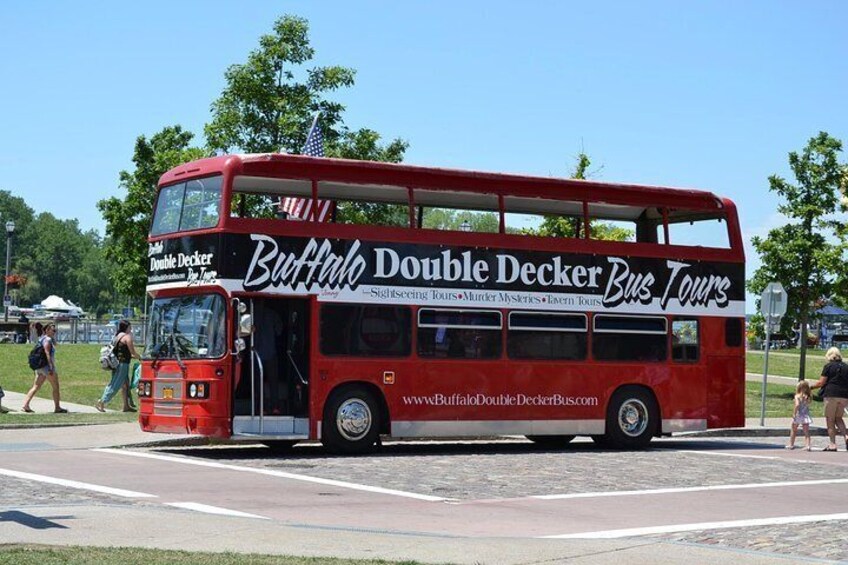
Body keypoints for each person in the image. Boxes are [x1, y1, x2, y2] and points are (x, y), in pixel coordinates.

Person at [21, 322, 67, 413]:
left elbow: (55, 345)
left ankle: (25, 405)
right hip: (47, 367)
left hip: (40, 367)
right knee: (56, 387)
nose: (54, 332)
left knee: (36, 386)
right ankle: (57, 408)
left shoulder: (42, 338)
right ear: (47, 330)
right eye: (53, 330)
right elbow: (47, 353)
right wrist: (51, 367)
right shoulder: (48, 340)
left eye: (55, 330)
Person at [95, 320, 141, 412]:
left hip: (116, 363)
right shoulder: (127, 337)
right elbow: (132, 352)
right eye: (130, 327)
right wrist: (140, 357)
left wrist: (132, 356)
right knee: (115, 384)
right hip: (123, 365)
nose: (131, 329)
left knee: (125, 386)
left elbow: (123, 351)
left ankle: (126, 406)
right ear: (126, 328)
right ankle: (102, 401)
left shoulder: (117, 336)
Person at [811, 346, 848, 452]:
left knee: (830, 419)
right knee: (839, 418)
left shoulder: (828, 366)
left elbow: (821, 382)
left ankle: (832, 444)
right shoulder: (846, 367)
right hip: (844, 395)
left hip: (831, 394)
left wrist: (810, 387)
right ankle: (846, 436)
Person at [786, 380, 813, 451]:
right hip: (806, 414)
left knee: (793, 429)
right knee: (806, 431)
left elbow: (797, 405)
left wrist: (794, 413)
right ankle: (808, 445)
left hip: (799, 414)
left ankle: (791, 444)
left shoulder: (797, 396)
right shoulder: (808, 397)